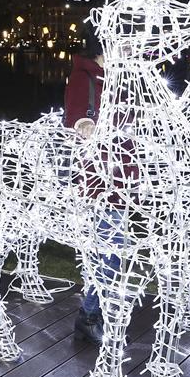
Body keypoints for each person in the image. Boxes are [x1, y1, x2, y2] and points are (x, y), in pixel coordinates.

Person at [64, 30, 115, 345]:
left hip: (123, 178)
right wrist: (85, 125)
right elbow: (74, 117)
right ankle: (89, 315)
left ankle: (95, 310)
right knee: (109, 253)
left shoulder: (121, 80)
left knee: (112, 254)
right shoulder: (85, 77)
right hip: (96, 179)